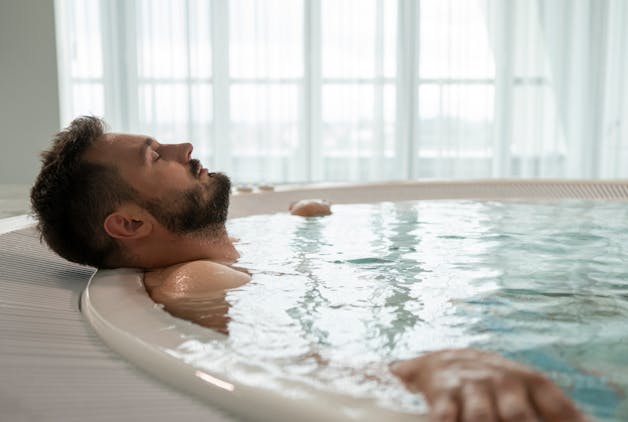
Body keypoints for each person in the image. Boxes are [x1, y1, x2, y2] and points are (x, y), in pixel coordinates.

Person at [31, 116, 587, 422]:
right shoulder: (191, 280)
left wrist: (301, 221)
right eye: (156, 156)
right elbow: (271, 363)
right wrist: (428, 368)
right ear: (128, 225)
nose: (184, 146)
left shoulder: (222, 258)